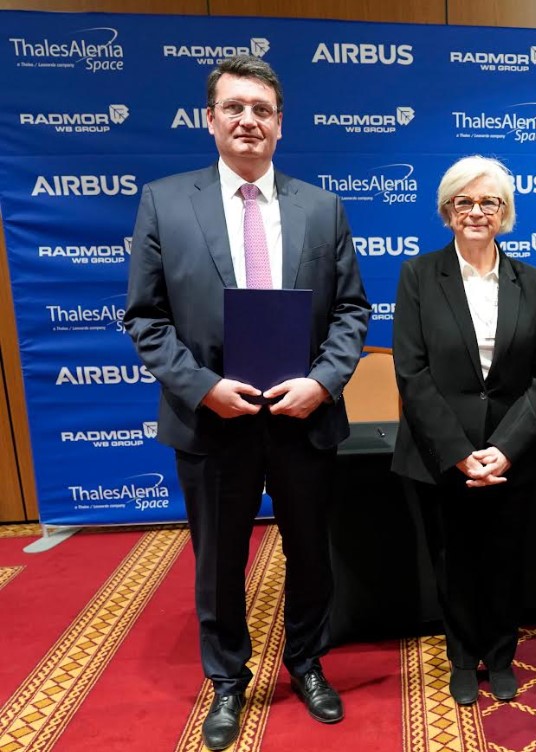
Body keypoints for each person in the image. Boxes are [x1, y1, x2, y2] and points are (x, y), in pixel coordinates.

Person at [124, 55, 369, 750]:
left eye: (262, 110)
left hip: (303, 417)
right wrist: (203, 388)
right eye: (234, 107)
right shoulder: (165, 203)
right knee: (219, 562)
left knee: (311, 556)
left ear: (280, 124)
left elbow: (351, 311)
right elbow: (146, 318)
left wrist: (322, 382)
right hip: (212, 421)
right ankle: (227, 680)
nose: (248, 121)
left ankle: (307, 663)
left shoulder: (321, 207)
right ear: (210, 119)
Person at [392, 155, 536, 706]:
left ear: (505, 212)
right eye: (464, 201)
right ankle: (463, 658)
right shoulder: (419, 276)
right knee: (454, 560)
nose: (476, 212)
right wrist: (461, 452)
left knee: (506, 559)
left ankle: (502, 655)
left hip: (512, 454)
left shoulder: (532, 282)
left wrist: (504, 450)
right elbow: (412, 373)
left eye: (489, 201)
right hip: (442, 454)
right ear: (447, 211)